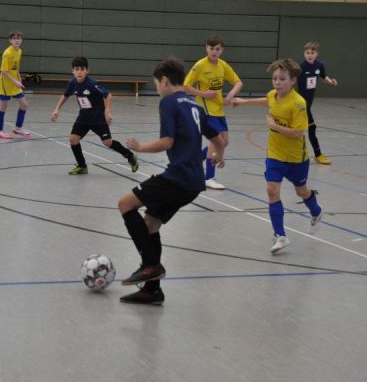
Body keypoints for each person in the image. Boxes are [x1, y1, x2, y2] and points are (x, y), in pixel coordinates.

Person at [118, 57, 225, 305]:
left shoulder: (168, 102)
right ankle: (152, 291)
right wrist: (219, 155)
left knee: (125, 204)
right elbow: (217, 138)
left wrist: (139, 147)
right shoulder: (195, 105)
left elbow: (167, 142)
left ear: (164, 80)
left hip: (177, 177)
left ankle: (149, 265)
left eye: (157, 84)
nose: (157, 89)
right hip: (194, 182)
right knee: (150, 224)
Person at [231, 59, 323, 254]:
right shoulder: (273, 95)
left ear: (292, 81)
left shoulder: (298, 103)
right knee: (272, 191)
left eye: (282, 79)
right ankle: (280, 235)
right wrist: (243, 101)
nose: (277, 82)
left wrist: (275, 127)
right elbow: (266, 100)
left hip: (296, 157)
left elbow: (299, 133)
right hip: (275, 155)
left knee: (301, 191)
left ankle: (316, 210)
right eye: (274, 78)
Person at [50, 56, 139, 175]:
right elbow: (65, 95)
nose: (79, 72)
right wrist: (57, 109)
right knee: (73, 139)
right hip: (83, 118)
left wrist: (107, 111)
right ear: (73, 71)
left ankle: (130, 155)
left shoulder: (92, 84)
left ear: (87, 71)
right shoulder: (72, 83)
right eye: (76, 69)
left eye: (82, 69)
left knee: (107, 142)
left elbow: (108, 95)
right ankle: (82, 166)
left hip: (98, 119)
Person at [184, 35, 243, 190]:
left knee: (224, 142)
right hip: (205, 110)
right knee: (215, 142)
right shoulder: (200, 65)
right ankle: (208, 177)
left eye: (217, 49)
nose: (214, 51)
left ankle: (193, 161)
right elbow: (186, 86)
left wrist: (230, 95)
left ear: (221, 50)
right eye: (211, 48)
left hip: (219, 110)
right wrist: (203, 94)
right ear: (206, 48)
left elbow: (238, 82)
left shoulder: (223, 65)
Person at [297, 41, 338, 165]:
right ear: (304, 54)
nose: (310, 55)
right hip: (301, 104)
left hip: (309, 102)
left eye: (312, 53)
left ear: (316, 54)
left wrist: (330, 82)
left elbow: (323, 77)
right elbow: (291, 79)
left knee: (300, 128)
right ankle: (318, 154)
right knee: (311, 127)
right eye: (307, 52)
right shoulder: (300, 67)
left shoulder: (319, 65)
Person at [0, 30, 31, 139]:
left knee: (24, 104)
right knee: (3, 106)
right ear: (10, 40)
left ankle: (18, 128)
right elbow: (4, 71)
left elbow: (16, 68)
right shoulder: (7, 53)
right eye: (15, 38)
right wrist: (15, 81)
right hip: (6, 83)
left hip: (15, 83)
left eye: (19, 38)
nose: (17, 40)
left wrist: (19, 79)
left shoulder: (19, 51)